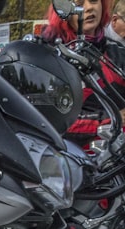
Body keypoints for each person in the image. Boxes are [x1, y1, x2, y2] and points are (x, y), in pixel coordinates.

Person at [42, 0, 125, 145]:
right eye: (79, 3)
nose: (89, 8)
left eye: (93, 0)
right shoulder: (48, 55)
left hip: (116, 155)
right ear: (62, 10)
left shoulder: (116, 51)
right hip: (68, 158)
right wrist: (108, 120)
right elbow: (51, 118)